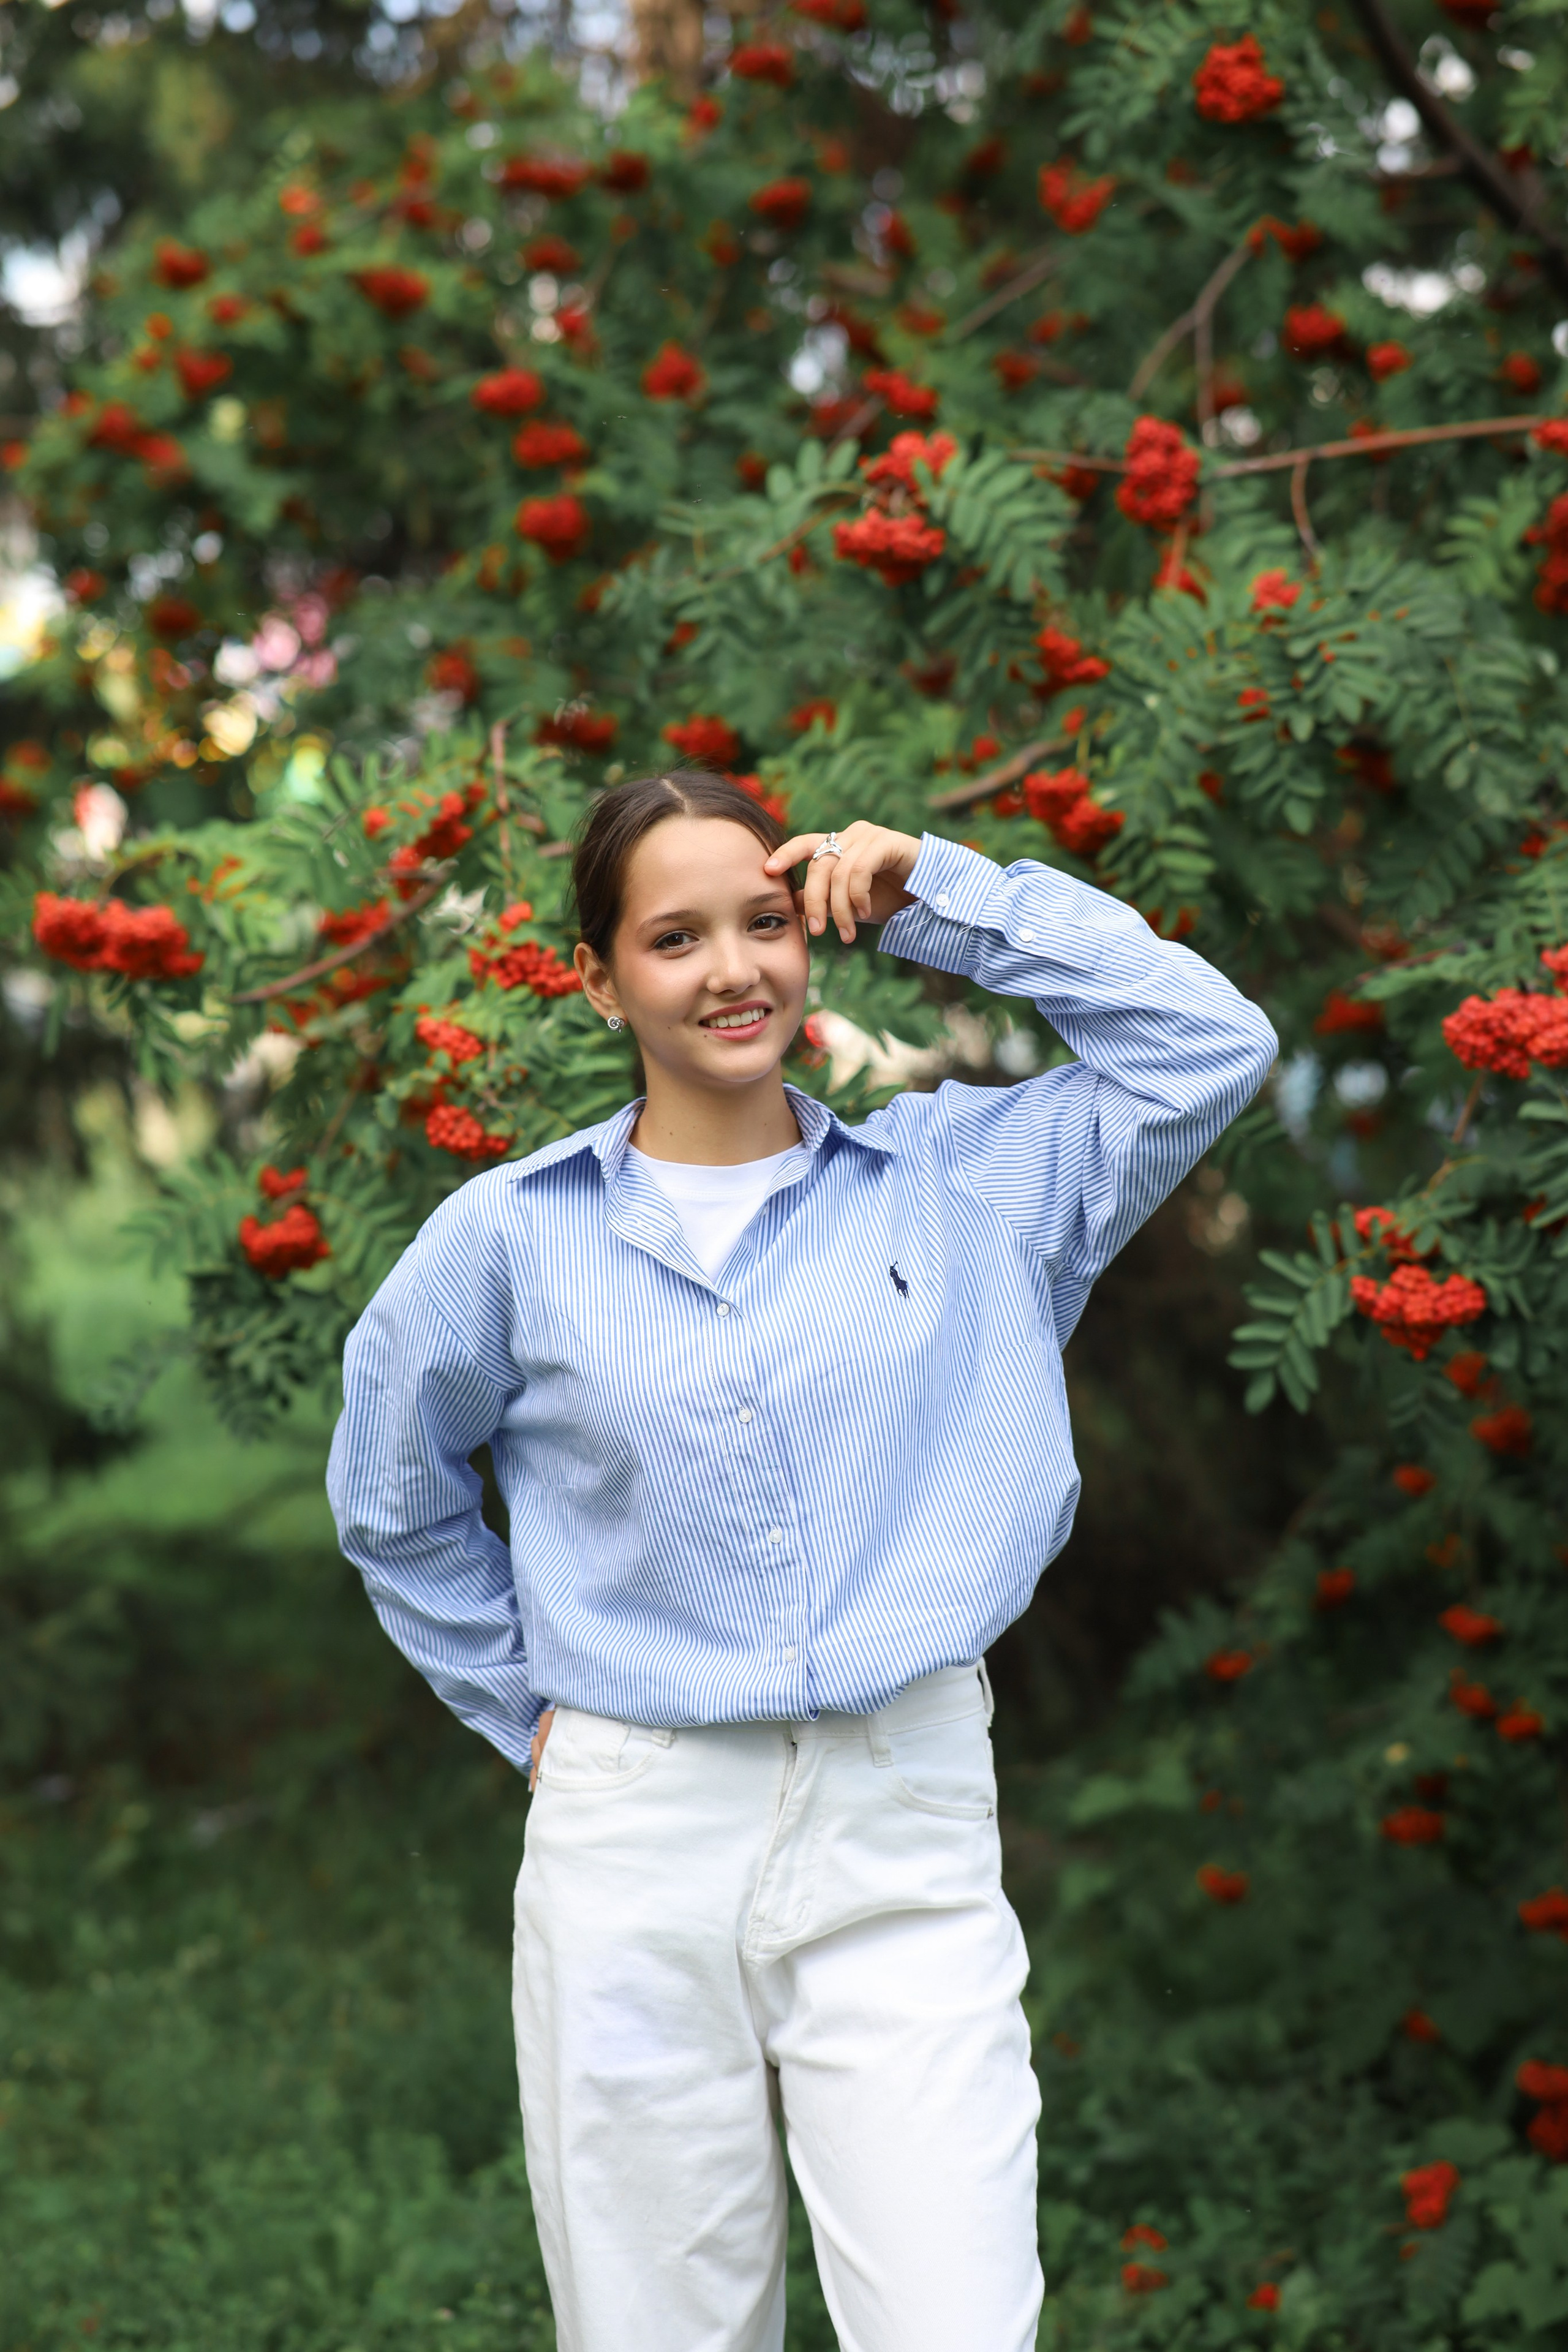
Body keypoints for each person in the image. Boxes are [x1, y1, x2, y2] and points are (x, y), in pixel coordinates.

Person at [326, 770, 1276, 2352]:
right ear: (601, 976)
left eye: (764, 923)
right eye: (674, 937)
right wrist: (530, 1709)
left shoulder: (970, 1185)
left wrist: (943, 897)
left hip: (900, 1818)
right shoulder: (508, 1240)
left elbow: (1211, 1045)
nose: (732, 971)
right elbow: (392, 1496)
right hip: (634, 1837)